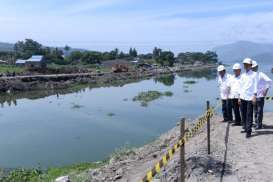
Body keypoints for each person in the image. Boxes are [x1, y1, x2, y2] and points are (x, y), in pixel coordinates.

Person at [238, 58, 258, 138]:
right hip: (243, 97)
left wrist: (254, 96)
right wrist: (239, 97)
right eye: (244, 65)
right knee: (243, 114)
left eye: (247, 65)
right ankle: (246, 128)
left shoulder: (254, 74)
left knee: (249, 114)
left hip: (250, 97)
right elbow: (240, 87)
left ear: (250, 66)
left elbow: (256, 86)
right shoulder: (242, 75)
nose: (245, 66)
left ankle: (249, 131)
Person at [252, 60, 272, 129]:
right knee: (255, 110)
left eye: (254, 67)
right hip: (253, 96)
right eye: (252, 67)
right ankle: (257, 123)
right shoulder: (251, 76)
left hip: (260, 96)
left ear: (257, 67)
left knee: (259, 111)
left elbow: (269, 81)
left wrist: (266, 90)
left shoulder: (261, 74)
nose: (253, 69)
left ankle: (259, 124)